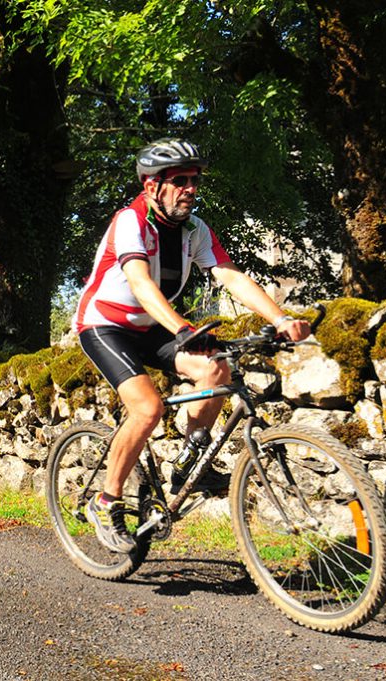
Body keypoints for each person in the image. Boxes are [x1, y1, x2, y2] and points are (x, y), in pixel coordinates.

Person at [73, 138, 310, 553]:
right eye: (179, 180)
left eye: (194, 180)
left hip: (152, 327)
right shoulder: (131, 221)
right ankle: (105, 500)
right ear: (152, 187)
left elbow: (231, 277)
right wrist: (183, 328)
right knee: (148, 409)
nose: (190, 188)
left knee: (217, 367)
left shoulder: (194, 230)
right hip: (105, 326)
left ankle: (189, 459)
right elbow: (142, 285)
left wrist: (281, 318)